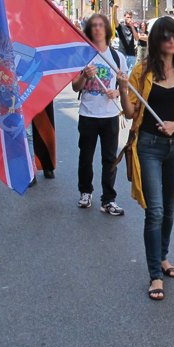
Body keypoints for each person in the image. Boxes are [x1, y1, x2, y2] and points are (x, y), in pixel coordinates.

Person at [120, 17, 174, 301]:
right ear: (156, 40)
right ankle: (155, 273)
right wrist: (122, 87)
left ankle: (163, 256)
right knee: (154, 210)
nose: (171, 41)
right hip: (149, 146)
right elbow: (131, 113)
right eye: (165, 36)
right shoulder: (141, 71)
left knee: (169, 208)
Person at [71, 13, 130, 215]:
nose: (97, 29)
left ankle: (108, 199)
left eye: (100, 25)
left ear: (107, 30)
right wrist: (84, 76)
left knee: (109, 158)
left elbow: (124, 85)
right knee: (86, 156)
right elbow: (75, 86)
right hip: (88, 114)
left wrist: (118, 90)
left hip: (110, 115)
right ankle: (85, 192)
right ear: (89, 30)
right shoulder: (84, 56)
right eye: (93, 25)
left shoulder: (117, 57)